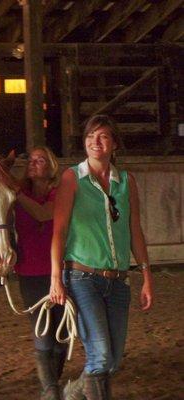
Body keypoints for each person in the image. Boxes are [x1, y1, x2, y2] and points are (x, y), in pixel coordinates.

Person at [49, 115, 154, 400]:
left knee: (112, 359)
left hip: (118, 281)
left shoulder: (126, 181)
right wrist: (55, 279)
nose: (96, 142)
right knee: (102, 354)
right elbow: (58, 231)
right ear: (84, 142)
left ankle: (72, 393)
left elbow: (135, 230)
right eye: (91, 136)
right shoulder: (72, 178)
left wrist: (146, 275)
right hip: (82, 277)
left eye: (103, 136)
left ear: (114, 143)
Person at [14, 146, 67, 400]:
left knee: (62, 336)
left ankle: (51, 385)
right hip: (31, 273)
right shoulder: (17, 195)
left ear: (51, 166)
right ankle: (50, 390)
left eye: (41, 160)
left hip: (62, 271)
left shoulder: (59, 194)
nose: (34, 163)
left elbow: (43, 214)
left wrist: (15, 194)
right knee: (43, 332)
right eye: (31, 160)